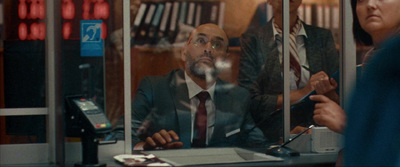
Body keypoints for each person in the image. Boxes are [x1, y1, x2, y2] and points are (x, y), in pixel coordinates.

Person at [131, 23, 266, 150]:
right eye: (200, 41)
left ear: (225, 59)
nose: (208, 49)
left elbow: (258, 144)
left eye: (217, 44)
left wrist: (283, 143)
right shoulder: (154, 88)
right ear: (184, 52)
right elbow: (121, 136)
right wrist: (146, 148)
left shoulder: (238, 97)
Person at [239, 0, 338, 142]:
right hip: (271, 136)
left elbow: (340, 91)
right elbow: (249, 100)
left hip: (318, 133)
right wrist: (303, 93)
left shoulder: (323, 37)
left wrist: (329, 90)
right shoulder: (253, 40)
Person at [311, 0, 400, 134]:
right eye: (361, 0)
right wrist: (335, 102)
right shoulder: (373, 57)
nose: (370, 5)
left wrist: (346, 124)